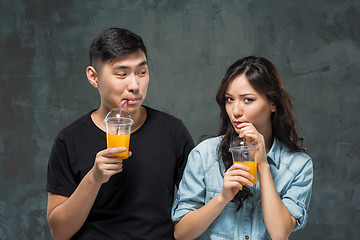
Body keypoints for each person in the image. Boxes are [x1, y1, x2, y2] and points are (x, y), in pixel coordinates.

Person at [46, 27, 194, 240]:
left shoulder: (172, 131)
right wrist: (94, 178)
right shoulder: (69, 140)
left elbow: (195, 207)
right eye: (121, 74)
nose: (135, 85)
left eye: (141, 72)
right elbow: (59, 232)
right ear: (93, 77)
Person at [171, 56, 313, 240]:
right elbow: (181, 234)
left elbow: (280, 234)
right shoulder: (204, 154)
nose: (236, 110)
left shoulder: (298, 165)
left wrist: (263, 165)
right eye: (230, 99)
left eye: (248, 100)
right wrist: (222, 198)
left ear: (273, 103)